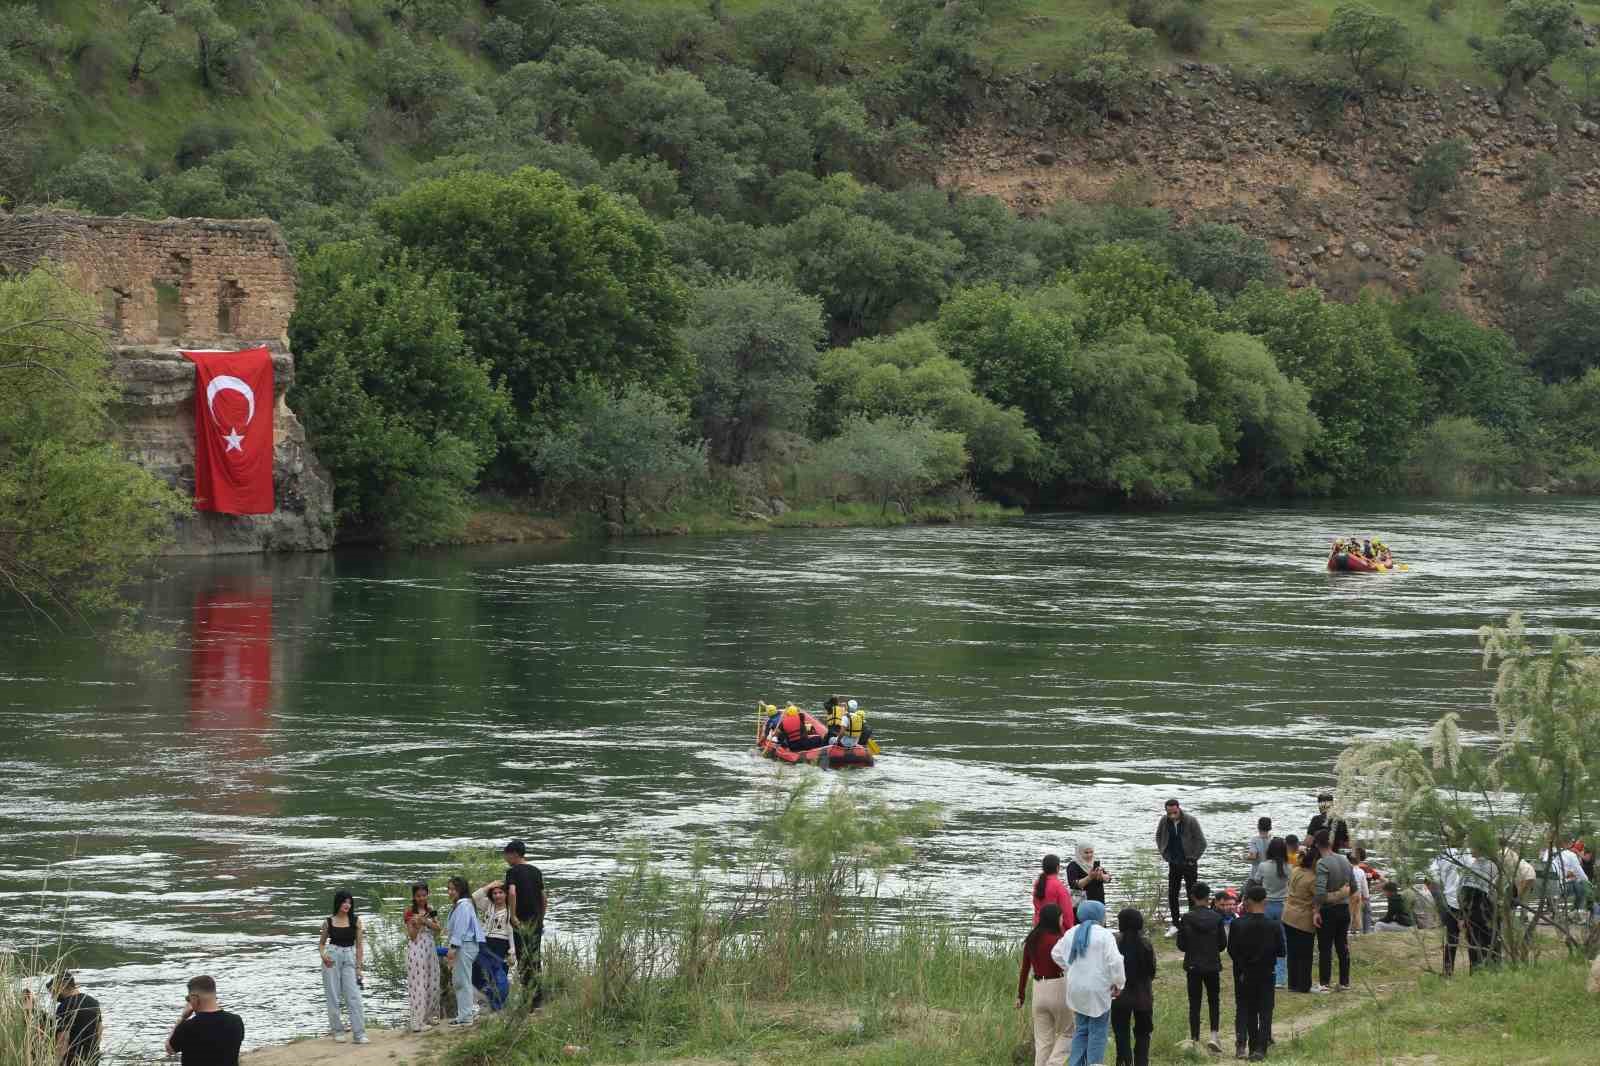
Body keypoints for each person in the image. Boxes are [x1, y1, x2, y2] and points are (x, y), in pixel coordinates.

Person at [1050, 900, 1124, 1066]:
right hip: (1098, 989)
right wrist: (1119, 983)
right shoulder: (1104, 935)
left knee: (1081, 1029)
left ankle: (1075, 1063)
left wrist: (1071, 967)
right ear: (1099, 916)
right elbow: (1116, 961)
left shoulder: (1071, 933)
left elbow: (1055, 953)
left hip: (1076, 988)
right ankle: (1094, 1063)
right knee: (1098, 1031)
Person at [1227, 884, 1284, 1062]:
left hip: (1243, 972)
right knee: (1266, 1010)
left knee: (1248, 1008)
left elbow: (1231, 950)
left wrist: (1242, 963)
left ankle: (1250, 1045)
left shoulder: (1237, 924)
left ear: (1247, 901)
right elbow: (1281, 951)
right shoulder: (1273, 925)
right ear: (1265, 901)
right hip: (1266, 971)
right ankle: (1261, 1048)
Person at [1016, 902, 1072, 1066]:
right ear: (1055, 919)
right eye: (1061, 917)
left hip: (1038, 989)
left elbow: (1025, 969)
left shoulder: (1031, 940)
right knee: (1069, 1032)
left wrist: (1020, 995)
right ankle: (1053, 1063)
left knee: (1043, 1041)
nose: (1062, 920)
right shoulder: (1059, 940)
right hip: (1058, 986)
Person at [1176, 882, 1226, 1053]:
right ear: (1208, 897)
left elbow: (1181, 945)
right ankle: (1214, 1036)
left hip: (1193, 965)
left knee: (1194, 1002)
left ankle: (1195, 1038)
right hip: (1212, 964)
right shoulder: (1217, 918)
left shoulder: (1187, 918)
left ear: (1192, 897)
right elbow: (1222, 944)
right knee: (1214, 1000)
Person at [317, 889, 368, 1043]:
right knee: (333, 995)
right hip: (332, 958)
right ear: (338, 903)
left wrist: (359, 968)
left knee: (354, 996)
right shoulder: (328, 922)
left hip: (349, 957)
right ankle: (337, 1031)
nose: (347, 905)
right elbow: (321, 944)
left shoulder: (356, 921)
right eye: (344, 902)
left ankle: (359, 1034)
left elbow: (359, 946)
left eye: (349, 902)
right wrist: (323, 955)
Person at [165, 975, 244, 1066]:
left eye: (188, 999)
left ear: (194, 998)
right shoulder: (236, 1021)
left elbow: (169, 1049)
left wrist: (182, 1018)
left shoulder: (188, 1026)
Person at [1110, 907, 1156, 1066]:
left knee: (1121, 1033)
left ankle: (1124, 1061)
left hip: (1120, 995)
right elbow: (1152, 971)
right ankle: (1141, 1062)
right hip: (1143, 996)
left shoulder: (1115, 942)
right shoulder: (1146, 943)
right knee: (1143, 1034)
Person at [504, 839, 547, 1007]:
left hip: (521, 922)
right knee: (535, 959)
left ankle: (527, 997)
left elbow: (512, 892)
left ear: (514, 854)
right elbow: (544, 897)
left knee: (523, 959)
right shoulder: (536, 871)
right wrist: (541, 918)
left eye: (507, 855)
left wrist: (513, 915)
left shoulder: (513, 872)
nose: (506, 859)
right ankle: (538, 998)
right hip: (536, 922)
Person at [1155, 799, 1206, 936]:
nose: (1172, 816)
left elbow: (1202, 842)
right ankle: (1175, 924)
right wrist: (1164, 853)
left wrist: (1194, 858)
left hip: (1189, 863)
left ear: (1179, 809)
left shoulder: (1191, 821)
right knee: (1173, 893)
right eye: (1169, 813)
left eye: (1174, 812)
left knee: (1192, 893)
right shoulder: (1164, 821)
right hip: (1173, 862)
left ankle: (1192, 922)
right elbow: (1158, 836)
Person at [1311, 830, 1354, 993]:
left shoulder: (1322, 863)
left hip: (1328, 911)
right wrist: (1342, 894)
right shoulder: (1345, 860)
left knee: (1325, 947)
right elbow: (1353, 886)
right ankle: (1344, 982)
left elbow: (1320, 893)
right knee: (1342, 945)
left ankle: (1324, 983)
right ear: (1330, 842)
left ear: (1317, 844)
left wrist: (1316, 911)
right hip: (1344, 909)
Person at [445, 876, 486, 1025]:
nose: (450, 892)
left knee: (462, 981)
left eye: (453, 889)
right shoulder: (464, 904)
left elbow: (460, 928)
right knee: (460, 981)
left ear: (460, 890)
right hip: (465, 945)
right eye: (449, 889)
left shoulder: (463, 905)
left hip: (464, 945)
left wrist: (453, 947)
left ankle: (466, 1016)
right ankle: (464, 1014)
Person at [403, 882, 441, 1032]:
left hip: (430, 948)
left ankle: (429, 1016)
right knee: (418, 984)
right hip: (416, 948)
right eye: (418, 896)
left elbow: (438, 929)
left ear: (427, 895)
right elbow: (412, 936)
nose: (421, 898)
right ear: (414, 896)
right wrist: (418, 924)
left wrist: (425, 921)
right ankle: (417, 1022)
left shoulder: (430, 910)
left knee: (433, 981)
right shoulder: (409, 912)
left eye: (424, 895)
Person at [1282, 842, 1318, 993]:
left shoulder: (1295, 870)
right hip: (1303, 918)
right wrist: (1342, 892)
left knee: (1292, 951)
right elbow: (1322, 897)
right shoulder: (1313, 878)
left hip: (1288, 914)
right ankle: (1304, 985)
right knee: (1305, 953)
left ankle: (1293, 984)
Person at [1425, 846, 1464, 976]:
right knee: (1475, 936)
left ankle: (1448, 971)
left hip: (1450, 901)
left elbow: (1430, 876)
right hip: (1467, 899)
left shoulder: (1442, 856)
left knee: (1452, 937)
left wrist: (1437, 894)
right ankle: (1478, 969)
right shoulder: (1469, 854)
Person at [1458, 846, 1498, 972]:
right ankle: (1493, 969)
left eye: (1473, 847)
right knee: (1490, 941)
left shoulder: (1471, 867)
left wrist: (1461, 916)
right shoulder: (1494, 866)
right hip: (1489, 910)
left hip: (1473, 910)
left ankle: (1475, 970)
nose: (1470, 849)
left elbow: (1464, 892)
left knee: (1474, 943)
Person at [1259, 837, 1292, 989]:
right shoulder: (1289, 867)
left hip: (1266, 906)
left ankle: (1265, 973)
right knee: (1282, 942)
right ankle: (1280, 978)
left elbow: (1256, 881)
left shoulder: (1263, 866)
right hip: (1283, 906)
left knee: (1264, 941)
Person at [51, 972, 101, 1066]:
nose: (53, 996)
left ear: (62, 985)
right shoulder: (93, 1002)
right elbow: (99, 1030)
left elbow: (63, 1039)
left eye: (54, 990)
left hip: (72, 1059)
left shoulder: (64, 1006)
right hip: (92, 1057)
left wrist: (57, 1062)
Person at [1033, 854, 1076, 929]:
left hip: (1038, 926)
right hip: (1055, 929)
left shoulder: (1038, 883)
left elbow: (1036, 905)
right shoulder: (1059, 887)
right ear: (1057, 868)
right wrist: (1070, 929)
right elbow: (1067, 913)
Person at [1064, 844, 1109, 914]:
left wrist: (1102, 876)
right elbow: (1074, 885)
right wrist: (1089, 877)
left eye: (1091, 852)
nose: (1089, 855)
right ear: (1079, 853)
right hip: (1082, 902)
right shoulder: (1073, 865)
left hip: (1098, 900)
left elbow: (1108, 878)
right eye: (1086, 853)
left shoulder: (1094, 863)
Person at [1244, 818, 1272, 883]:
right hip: (1269, 874)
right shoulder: (1272, 840)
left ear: (1258, 826)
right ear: (1270, 827)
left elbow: (1253, 856)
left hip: (1256, 874)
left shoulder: (1255, 840)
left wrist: (1243, 857)